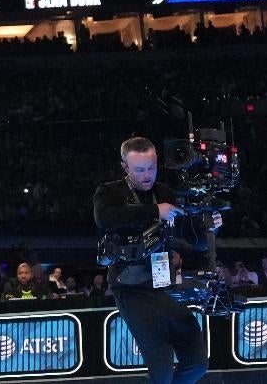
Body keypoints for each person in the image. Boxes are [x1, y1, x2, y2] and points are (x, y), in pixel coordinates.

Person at [94, 137, 221, 384]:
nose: (147, 175)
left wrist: (209, 229)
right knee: (161, 370)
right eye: (139, 169)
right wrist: (155, 211)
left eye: (151, 168)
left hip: (163, 286)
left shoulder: (164, 193)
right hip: (131, 289)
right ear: (125, 167)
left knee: (197, 363)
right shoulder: (109, 191)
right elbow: (104, 218)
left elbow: (194, 239)